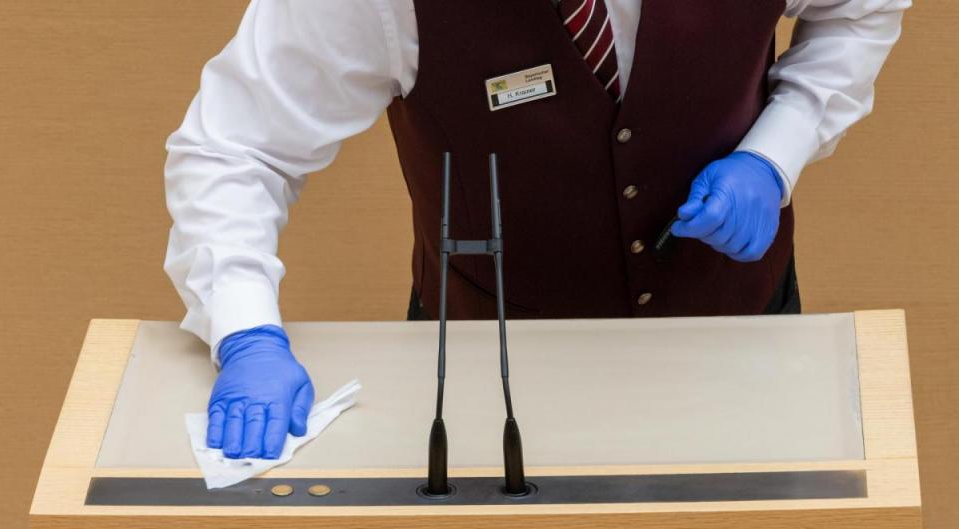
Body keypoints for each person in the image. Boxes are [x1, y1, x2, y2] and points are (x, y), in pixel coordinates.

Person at [164, 0, 909, 460]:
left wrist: (775, 151)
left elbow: (861, 9)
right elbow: (239, 145)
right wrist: (246, 332)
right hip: (485, 378)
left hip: (741, 340)